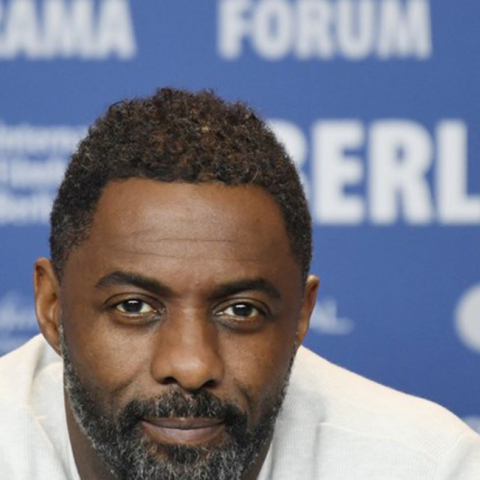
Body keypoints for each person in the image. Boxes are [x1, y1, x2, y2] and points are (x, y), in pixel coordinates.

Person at [0, 88, 479, 480]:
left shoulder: (427, 466)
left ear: (301, 317)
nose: (191, 366)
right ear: (53, 307)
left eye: (241, 310)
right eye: (133, 306)